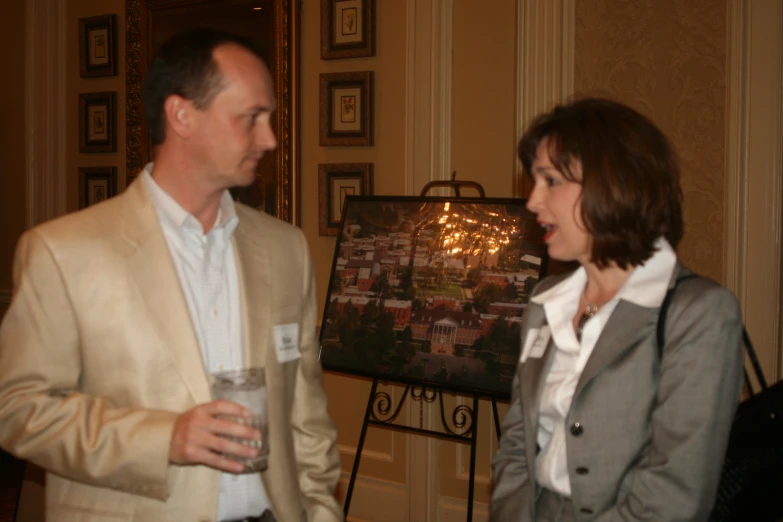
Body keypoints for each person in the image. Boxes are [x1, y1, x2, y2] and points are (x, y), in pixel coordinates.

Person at [0, 28, 343, 522]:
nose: (269, 139)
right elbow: (19, 411)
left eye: (269, 118)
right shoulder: (63, 253)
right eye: (251, 118)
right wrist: (165, 439)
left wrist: (321, 512)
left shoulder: (286, 248)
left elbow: (307, 417)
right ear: (181, 115)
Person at [490, 98, 743, 522]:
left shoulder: (699, 315)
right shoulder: (544, 305)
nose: (532, 201)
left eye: (550, 180)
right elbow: (516, 446)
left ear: (613, 184)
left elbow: (675, 493)